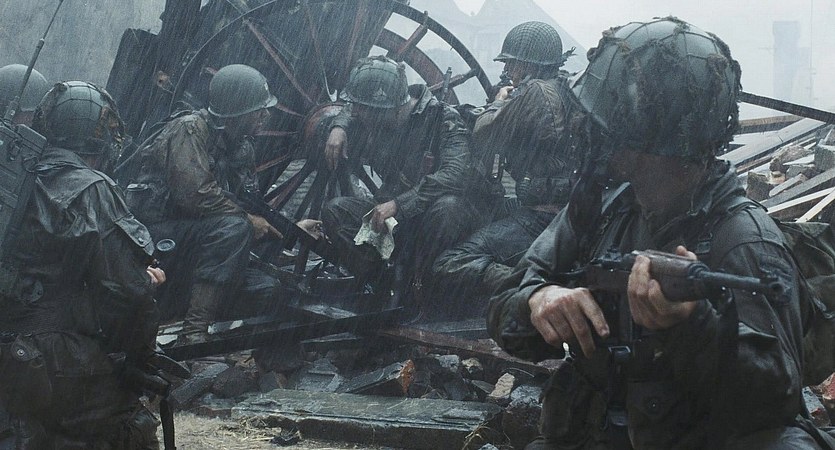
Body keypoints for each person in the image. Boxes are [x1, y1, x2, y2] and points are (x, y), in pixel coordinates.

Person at [488, 17, 820, 449]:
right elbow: (503, 310)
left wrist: (694, 329)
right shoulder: (605, 206)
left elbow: (772, 404)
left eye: (606, 120)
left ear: (647, 133)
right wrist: (538, 300)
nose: (590, 129)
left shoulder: (742, 240)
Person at [0, 81, 164, 447]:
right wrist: (140, 362)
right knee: (131, 425)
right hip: (41, 357)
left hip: (14, 349)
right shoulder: (91, 189)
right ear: (101, 141)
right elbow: (127, 295)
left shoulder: (13, 174)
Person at [123, 63, 283, 343]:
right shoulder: (189, 129)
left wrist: (289, 229)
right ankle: (193, 333)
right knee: (235, 228)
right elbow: (195, 194)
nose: (265, 116)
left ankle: (184, 316)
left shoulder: (242, 147)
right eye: (259, 110)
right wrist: (247, 222)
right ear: (239, 111)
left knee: (267, 289)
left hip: (197, 248)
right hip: (153, 240)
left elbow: (247, 204)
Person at [433, 21, 583, 309]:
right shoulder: (566, 88)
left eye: (511, 64)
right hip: (567, 213)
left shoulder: (534, 92)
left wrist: (499, 102)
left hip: (543, 218)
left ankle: (534, 286)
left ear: (527, 65)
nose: (508, 71)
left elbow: (484, 133)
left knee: (450, 262)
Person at [321, 55, 488, 304]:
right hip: (396, 218)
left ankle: (428, 289)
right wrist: (339, 126)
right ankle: (381, 281)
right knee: (336, 211)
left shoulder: (444, 119)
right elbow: (351, 108)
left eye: (364, 111)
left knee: (448, 208)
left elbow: (455, 173)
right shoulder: (379, 108)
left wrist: (399, 204)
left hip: (433, 219)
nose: (358, 115)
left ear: (388, 109)